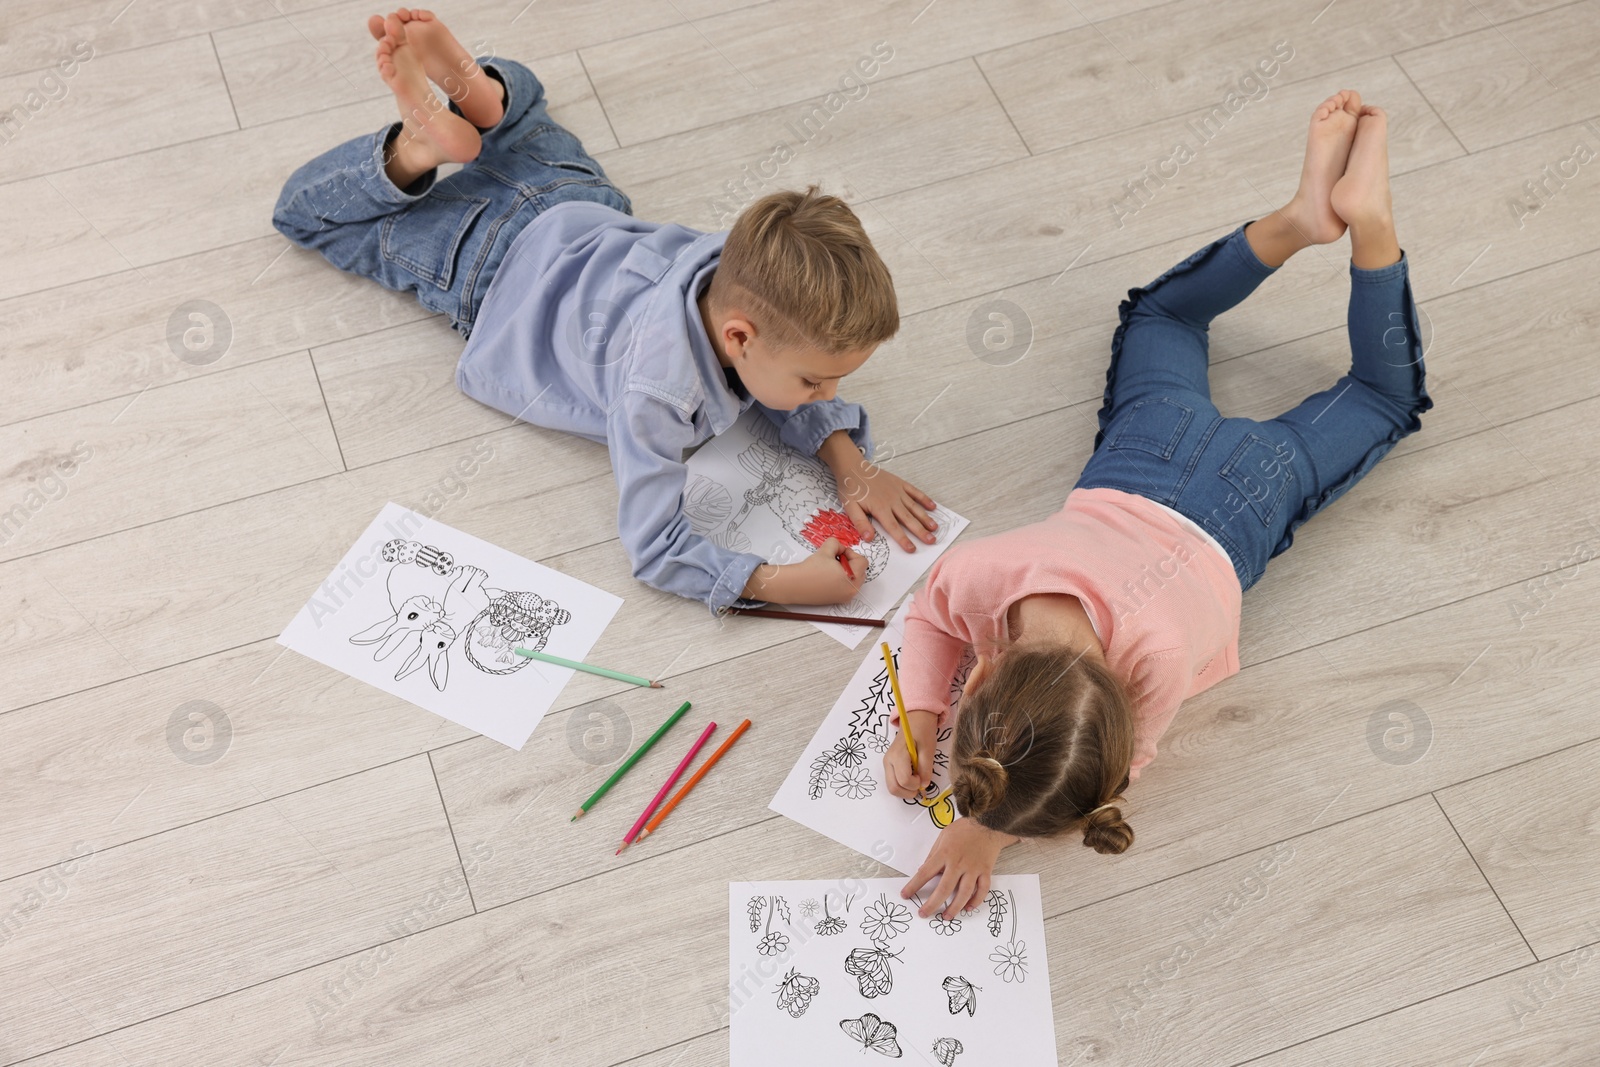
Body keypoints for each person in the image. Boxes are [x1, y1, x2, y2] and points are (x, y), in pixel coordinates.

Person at [885, 91, 1431, 918]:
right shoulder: (988, 575)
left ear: (981, 665)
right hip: (1163, 458)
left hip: (1229, 485)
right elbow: (936, 619)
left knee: (1373, 397)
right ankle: (1322, 218)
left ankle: (1353, 224)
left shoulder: (1156, 666)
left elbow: (1113, 758)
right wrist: (930, 720)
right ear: (986, 669)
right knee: (1164, 312)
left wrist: (985, 826)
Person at [272, 10, 938, 613]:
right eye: (816, 383)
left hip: (570, 199)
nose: (828, 395)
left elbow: (777, 366)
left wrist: (850, 462)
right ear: (738, 336)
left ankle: (483, 100)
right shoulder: (657, 395)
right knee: (313, 217)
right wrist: (780, 582)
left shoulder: (739, 263)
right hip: (480, 266)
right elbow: (654, 545)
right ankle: (414, 147)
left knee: (530, 118)